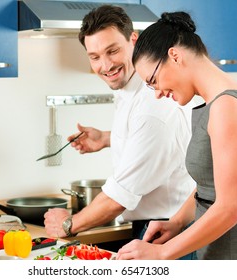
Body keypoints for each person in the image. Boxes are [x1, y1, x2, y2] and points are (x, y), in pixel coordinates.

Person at [116, 11, 237, 260]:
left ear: (174, 55)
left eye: (154, 80)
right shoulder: (222, 101)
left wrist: (161, 253)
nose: (157, 93)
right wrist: (177, 221)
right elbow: (210, 186)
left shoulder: (227, 107)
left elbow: (230, 210)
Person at [43, 5, 196, 257]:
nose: (105, 65)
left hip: (169, 231)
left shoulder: (152, 103)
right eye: (94, 56)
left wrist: (68, 224)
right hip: (153, 226)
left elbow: (118, 198)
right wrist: (104, 138)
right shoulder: (132, 88)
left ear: (133, 40)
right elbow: (149, 141)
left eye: (112, 51)